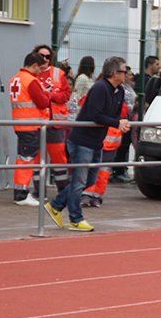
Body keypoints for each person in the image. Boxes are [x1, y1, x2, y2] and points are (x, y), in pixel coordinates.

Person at [44, 57, 130, 232]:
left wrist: (118, 121)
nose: (126, 74)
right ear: (114, 73)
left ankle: (56, 205)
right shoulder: (100, 88)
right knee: (79, 180)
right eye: (124, 71)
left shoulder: (119, 91)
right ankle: (76, 218)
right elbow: (96, 115)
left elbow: (113, 114)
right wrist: (116, 123)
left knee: (88, 179)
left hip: (96, 141)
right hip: (82, 141)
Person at [9, 52, 51, 206]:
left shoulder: (15, 79)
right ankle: (21, 194)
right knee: (26, 159)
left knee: (23, 158)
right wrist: (46, 94)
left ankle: (21, 192)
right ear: (34, 66)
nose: (40, 72)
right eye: (40, 69)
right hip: (31, 126)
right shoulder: (31, 81)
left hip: (20, 124)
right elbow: (43, 102)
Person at [34, 45, 71, 192]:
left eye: (47, 56)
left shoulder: (58, 74)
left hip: (54, 124)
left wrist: (49, 96)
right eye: (41, 56)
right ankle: (38, 191)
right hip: (36, 124)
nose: (44, 59)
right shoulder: (30, 74)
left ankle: (63, 191)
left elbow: (65, 95)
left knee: (59, 159)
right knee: (36, 160)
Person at [111, 66, 137, 183]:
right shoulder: (121, 88)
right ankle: (118, 170)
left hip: (128, 120)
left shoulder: (128, 87)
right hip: (122, 120)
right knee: (121, 147)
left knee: (124, 147)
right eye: (129, 73)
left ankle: (121, 169)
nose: (132, 76)